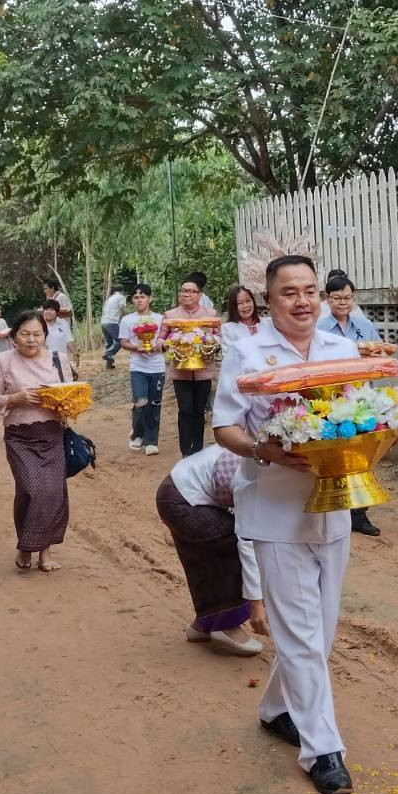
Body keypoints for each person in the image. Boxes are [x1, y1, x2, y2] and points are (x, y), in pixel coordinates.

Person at [213, 255, 363, 794]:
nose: (301, 301)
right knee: (299, 631)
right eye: (288, 293)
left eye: (309, 291)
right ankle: (323, 748)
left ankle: (277, 707)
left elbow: (364, 409)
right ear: (268, 300)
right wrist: (265, 450)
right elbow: (225, 426)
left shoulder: (341, 350)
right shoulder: (247, 352)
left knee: (319, 630)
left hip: (334, 502)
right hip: (274, 506)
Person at [0, 310, 72, 572]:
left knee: (53, 493)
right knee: (32, 490)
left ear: (45, 336)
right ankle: (25, 545)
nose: (31, 340)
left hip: (52, 434)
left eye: (37, 334)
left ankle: (45, 553)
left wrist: (63, 403)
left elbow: (71, 394)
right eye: (25, 334)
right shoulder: (3, 361)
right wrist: (14, 399)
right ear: (14, 336)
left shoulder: (58, 359)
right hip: (20, 436)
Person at [155, 444, 266, 655]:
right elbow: (247, 540)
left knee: (203, 558)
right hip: (182, 501)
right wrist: (256, 603)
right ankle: (227, 625)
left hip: (177, 491)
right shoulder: (248, 476)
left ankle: (203, 624)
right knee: (232, 546)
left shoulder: (255, 453)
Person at [318, 274, 385, 537]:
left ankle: (359, 513)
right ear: (327, 299)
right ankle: (336, 510)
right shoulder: (319, 329)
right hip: (331, 401)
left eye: (347, 298)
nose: (342, 302)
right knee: (335, 455)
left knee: (363, 455)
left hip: (361, 398)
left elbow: (379, 353)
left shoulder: (364, 326)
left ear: (353, 299)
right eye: (337, 298)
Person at [161, 274, 219, 457]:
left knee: (199, 411)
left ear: (199, 295)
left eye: (190, 291)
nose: (186, 294)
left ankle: (197, 450)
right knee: (185, 409)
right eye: (183, 291)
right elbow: (159, 340)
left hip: (203, 371)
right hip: (180, 372)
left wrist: (212, 343)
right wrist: (170, 344)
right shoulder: (170, 315)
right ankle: (186, 451)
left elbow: (220, 336)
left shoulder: (211, 315)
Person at [118, 284, 165, 456]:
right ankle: (137, 432)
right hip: (138, 367)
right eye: (136, 297)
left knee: (155, 403)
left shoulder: (160, 319)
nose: (140, 300)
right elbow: (123, 342)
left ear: (150, 298)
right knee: (141, 401)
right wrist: (137, 348)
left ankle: (151, 441)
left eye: (143, 296)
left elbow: (166, 341)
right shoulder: (127, 320)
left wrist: (159, 347)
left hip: (157, 367)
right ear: (132, 300)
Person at [43, 300, 78, 373]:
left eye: (52, 309)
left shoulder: (63, 323)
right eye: (46, 309)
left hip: (62, 361)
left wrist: (75, 354)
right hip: (44, 361)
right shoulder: (39, 324)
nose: (48, 312)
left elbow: (69, 340)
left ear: (57, 312)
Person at [100, 285, 128, 370]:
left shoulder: (110, 298)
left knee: (110, 343)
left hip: (103, 322)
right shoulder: (121, 297)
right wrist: (126, 319)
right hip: (112, 322)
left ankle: (109, 365)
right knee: (121, 340)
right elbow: (122, 310)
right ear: (122, 291)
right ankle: (108, 353)